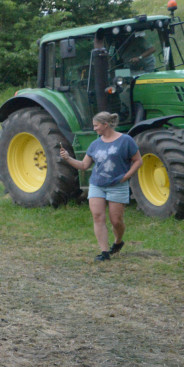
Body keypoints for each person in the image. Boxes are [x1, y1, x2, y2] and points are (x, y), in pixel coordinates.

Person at [59, 111, 143, 261]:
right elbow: (84, 165)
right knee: (98, 216)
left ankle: (118, 242)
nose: (94, 129)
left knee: (116, 220)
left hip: (118, 184)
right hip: (97, 184)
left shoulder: (126, 140)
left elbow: (138, 160)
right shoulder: (95, 144)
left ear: (105, 125)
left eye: (96, 125)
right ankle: (104, 253)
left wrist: (127, 176)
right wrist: (68, 158)